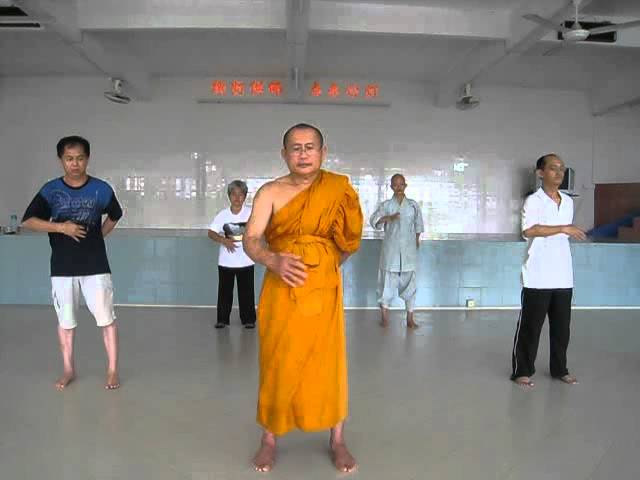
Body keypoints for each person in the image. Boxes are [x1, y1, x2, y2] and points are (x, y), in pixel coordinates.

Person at [243, 123, 363, 473]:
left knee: (328, 363)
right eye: (295, 148)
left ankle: (337, 439)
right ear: (284, 155)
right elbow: (252, 239)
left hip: (323, 290)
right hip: (281, 289)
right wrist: (273, 260)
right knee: (278, 361)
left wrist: (323, 266)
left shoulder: (338, 189)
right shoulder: (270, 192)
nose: (303, 153)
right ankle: (268, 438)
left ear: (323, 153)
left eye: (311, 147)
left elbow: (349, 241)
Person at [21, 135, 123, 390]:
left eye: (79, 158)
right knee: (66, 322)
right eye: (69, 159)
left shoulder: (101, 188)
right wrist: (61, 228)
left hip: (96, 266)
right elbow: (28, 221)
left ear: (87, 159)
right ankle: (68, 369)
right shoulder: (51, 190)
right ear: (61, 160)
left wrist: (99, 235)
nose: (75, 164)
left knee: (106, 319)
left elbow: (115, 214)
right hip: (62, 268)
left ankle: (112, 370)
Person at [511, 153, 586, 388]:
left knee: (562, 329)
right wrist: (564, 227)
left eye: (562, 169)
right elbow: (529, 230)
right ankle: (522, 370)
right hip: (537, 275)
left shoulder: (568, 201)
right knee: (531, 328)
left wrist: (565, 229)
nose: (559, 173)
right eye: (553, 168)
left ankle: (559, 369)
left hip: (563, 274)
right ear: (540, 173)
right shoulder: (533, 201)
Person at [370, 173, 424, 328]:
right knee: (386, 284)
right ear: (391, 187)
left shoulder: (413, 205)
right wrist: (389, 218)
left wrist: (416, 240)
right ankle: (384, 317)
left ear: (405, 185)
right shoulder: (386, 205)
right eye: (395, 184)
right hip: (391, 251)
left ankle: (410, 318)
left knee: (410, 284)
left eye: (401, 184)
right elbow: (374, 222)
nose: (398, 187)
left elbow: (419, 225)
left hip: (408, 251)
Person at [207, 180, 256, 329]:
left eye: (240, 194)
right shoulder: (222, 215)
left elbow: (259, 231)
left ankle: (248, 320)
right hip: (226, 262)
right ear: (229, 196)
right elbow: (211, 233)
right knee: (224, 293)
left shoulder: (251, 213)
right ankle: (222, 319)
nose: (237, 197)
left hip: (246, 260)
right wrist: (223, 240)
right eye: (234, 194)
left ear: (245, 196)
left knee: (247, 293)